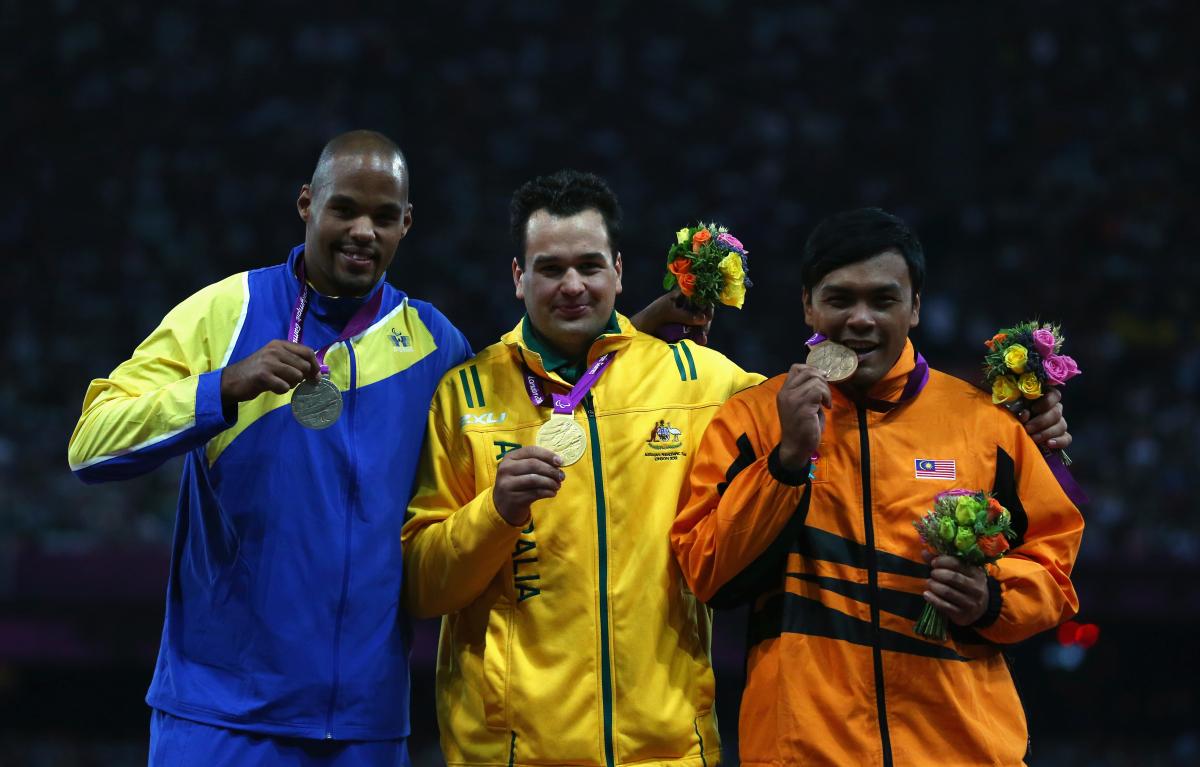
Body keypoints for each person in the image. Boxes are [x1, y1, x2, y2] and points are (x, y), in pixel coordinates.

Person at [67, 130, 472, 766]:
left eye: (384, 216)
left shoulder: (435, 344)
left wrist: (630, 338)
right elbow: (90, 444)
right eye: (344, 209)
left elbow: (529, 422)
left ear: (406, 224)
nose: (363, 230)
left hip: (366, 729)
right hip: (219, 719)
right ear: (307, 203)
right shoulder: (229, 310)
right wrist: (220, 388)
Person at [669, 207, 1085, 766]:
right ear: (808, 305)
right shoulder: (752, 421)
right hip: (802, 752)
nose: (860, 319)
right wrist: (787, 460)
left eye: (883, 300)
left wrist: (992, 597)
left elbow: (1054, 569)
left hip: (961, 751)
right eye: (840, 299)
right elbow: (708, 574)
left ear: (914, 308)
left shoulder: (986, 426)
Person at [401, 169, 764, 766]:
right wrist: (495, 512)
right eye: (550, 268)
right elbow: (422, 585)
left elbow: (803, 423)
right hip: (513, 754)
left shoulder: (699, 380)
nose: (572, 285)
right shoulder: (464, 395)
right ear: (519, 278)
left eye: (590, 266)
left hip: (666, 752)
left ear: (618, 272)